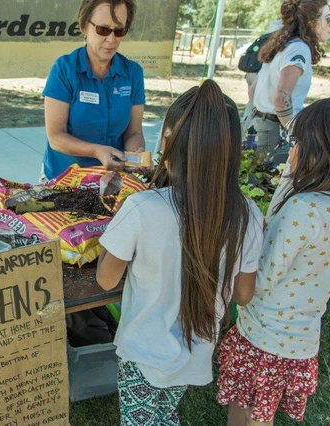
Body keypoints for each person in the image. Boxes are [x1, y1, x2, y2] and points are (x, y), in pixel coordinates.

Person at [96, 80, 263, 425]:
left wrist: (111, 238)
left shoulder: (141, 208)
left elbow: (105, 278)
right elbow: (244, 294)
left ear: (168, 143)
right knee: (165, 413)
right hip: (195, 353)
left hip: (142, 355)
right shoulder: (248, 214)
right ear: (232, 152)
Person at [217, 95, 330, 425]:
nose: (293, 147)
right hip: (297, 339)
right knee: (262, 412)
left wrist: (231, 254)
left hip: (264, 335)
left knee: (246, 415)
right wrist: (290, 178)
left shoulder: (303, 208)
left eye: (299, 140)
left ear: (327, 150)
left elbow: (258, 280)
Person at [41, 0, 145, 181]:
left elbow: (133, 133)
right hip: (65, 178)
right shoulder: (64, 69)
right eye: (103, 29)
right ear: (84, 26)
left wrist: (137, 157)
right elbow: (56, 136)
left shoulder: (133, 73)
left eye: (119, 31)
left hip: (112, 179)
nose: (111, 39)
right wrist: (96, 151)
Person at [243, 0, 330, 152]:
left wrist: (261, 116)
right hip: (271, 131)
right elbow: (281, 96)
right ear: (311, 23)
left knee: (249, 174)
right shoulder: (299, 49)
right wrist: (293, 133)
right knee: (268, 175)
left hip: (254, 123)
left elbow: (253, 91)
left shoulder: (281, 44)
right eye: (328, 19)